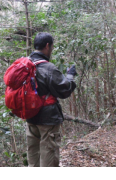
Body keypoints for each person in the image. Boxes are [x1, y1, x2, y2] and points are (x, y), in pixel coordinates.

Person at [26, 32, 77, 167]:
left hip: (30, 116)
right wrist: (70, 76)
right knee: (49, 159)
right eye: (52, 47)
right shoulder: (47, 68)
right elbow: (64, 90)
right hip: (47, 120)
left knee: (33, 157)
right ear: (47, 46)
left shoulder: (25, 64)